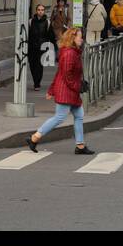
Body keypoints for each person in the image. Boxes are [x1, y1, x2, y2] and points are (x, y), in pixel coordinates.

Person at [27, 28, 94, 156]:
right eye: (80, 37)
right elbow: (67, 76)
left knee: (79, 115)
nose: (82, 39)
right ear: (72, 38)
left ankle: (80, 145)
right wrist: (78, 86)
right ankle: (34, 138)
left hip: (69, 90)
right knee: (59, 117)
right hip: (67, 90)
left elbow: (60, 73)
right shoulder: (70, 53)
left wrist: (52, 89)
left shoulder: (71, 52)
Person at [26, 3, 53, 91]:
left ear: (44, 11)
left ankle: (37, 83)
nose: (40, 12)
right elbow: (28, 35)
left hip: (42, 47)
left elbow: (50, 36)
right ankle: (35, 81)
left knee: (39, 66)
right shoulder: (31, 21)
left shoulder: (47, 22)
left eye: (42, 10)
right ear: (36, 11)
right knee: (32, 65)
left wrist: (50, 47)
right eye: (39, 10)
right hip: (32, 47)